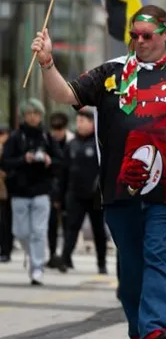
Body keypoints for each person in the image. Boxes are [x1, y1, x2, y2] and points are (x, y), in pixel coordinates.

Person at [30, 7, 166, 339]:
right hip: (119, 188)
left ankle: (156, 328)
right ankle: (139, 332)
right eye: (134, 35)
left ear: (165, 33)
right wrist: (48, 63)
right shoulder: (112, 74)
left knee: (156, 251)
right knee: (132, 263)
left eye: (147, 35)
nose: (139, 41)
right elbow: (65, 95)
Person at [2, 99, 64, 285]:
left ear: (41, 115)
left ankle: (37, 268)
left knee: (38, 232)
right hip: (19, 192)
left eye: (36, 113)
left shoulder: (47, 137)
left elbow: (61, 162)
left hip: (41, 191)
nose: (32, 117)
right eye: (29, 113)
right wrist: (24, 159)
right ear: (23, 116)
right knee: (20, 232)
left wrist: (48, 160)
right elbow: (5, 162)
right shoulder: (15, 137)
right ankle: (32, 255)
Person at [60, 108, 108, 274]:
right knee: (71, 228)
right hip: (75, 194)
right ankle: (65, 258)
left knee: (98, 231)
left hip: (95, 195)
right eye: (78, 121)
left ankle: (101, 263)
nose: (79, 124)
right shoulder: (71, 144)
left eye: (83, 121)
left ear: (92, 123)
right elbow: (63, 172)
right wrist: (59, 195)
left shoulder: (98, 143)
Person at [46, 111, 72, 271]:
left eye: (59, 129)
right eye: (54, 129)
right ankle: (53, 254)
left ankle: (66, 256)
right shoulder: (47, 140)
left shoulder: (72, 141)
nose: (57, 133)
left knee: (69, 225)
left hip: (69, 189)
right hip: (52, 188)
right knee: (52, 224)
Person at [0, 124, 12, 263]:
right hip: (4, 192)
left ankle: (5, 250)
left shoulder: (6, 149)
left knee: (4, 222)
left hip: (5, 192)